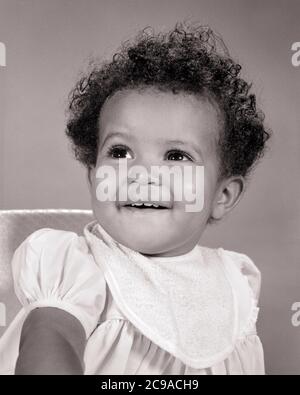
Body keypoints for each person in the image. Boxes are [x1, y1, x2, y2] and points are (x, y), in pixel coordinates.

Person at [0, 21, 271, 375]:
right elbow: (51, 345)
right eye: (121, 152)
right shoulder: (74, 268)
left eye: (176, 156)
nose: (141, 174)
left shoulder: (236, 282)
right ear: (93, 174)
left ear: (222, 195)